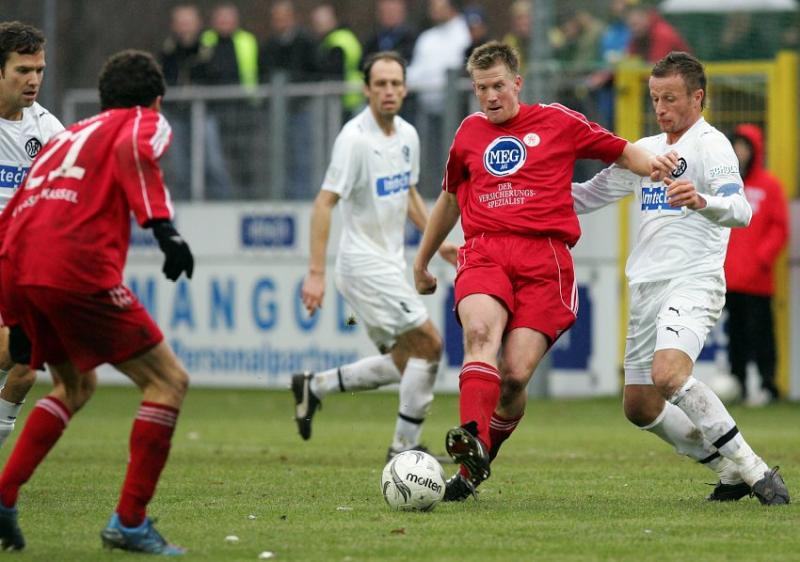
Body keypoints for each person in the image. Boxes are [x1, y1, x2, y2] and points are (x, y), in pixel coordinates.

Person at [412, 41, 677, 501]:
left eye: (498, 86)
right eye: (481, 89)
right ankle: (469, 436)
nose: (490, 97)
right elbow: (451, 199)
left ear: (517, 82)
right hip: (485, 251)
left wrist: (654, 166)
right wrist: (421, 259)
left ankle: (477, 463)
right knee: (479, 334)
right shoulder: (469, 134)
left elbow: (617, 150)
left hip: (545, 261)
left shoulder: (557, 121)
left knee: (515, 375)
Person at [571, 52, 789, 504]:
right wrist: (529, 187)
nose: (661, 108)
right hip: (646, 287)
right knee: (640, 405)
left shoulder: (712, 146)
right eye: (655, 98)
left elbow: (741, 210)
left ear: (697, 97)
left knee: (669, 374)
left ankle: (757, 472)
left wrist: (701, 199)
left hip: (693, 279)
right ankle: (726, 467)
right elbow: (589, 196)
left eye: (670, 98)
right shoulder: (645, 150)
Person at [0, 49, 195, 553]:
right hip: (76, 269)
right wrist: (164, 229)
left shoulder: (64, 136)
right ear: (155, 100)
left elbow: (16, 213)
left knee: (75, 384)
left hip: (24, 269)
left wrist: (15, 307)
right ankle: (130, 521)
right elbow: (138, 148)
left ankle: (2, 496)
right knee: (168, 382)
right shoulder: (140, 122)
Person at [292, 51, 458, 461]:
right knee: (431, 346)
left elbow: (408, 193)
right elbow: (322, 204)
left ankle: (314, 387)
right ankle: (404, 449)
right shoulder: (354, 140)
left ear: (404, 88)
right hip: (362, 266)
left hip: (387, 263)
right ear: (366, 89)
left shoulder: (407, 135)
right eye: (380, 84)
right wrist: (315, 273)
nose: (389, 91)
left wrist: (437, 243)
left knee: (406, 361)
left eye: (396, 84)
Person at [0, 21, 64, 450]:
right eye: (23, 69)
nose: (34, 79)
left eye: (39, 69)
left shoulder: (47, 130)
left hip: (22, 263)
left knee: (25, 363)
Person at [724, 124, 789, 405]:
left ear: (755, 150)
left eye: (744, 146)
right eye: (736, 146)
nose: (740, 152)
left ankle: (767, 385)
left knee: (762, 335)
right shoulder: (726, 186)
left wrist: (761, 259)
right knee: (735, 335)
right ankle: (738, 383)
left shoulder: (769, 186)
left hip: (758, 280)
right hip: (730, 278)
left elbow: (779, 228)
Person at [310, 3, 364, 121]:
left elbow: (335, 73)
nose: (317, 27)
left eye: (319, 22)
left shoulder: (335, 42)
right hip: (355, 96)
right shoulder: (346, 36)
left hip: (344, 100)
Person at [362, 0, 417, 64]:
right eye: (385, 11)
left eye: (393, 10)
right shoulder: (373, 40)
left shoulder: (413, 39)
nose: (389, 14)